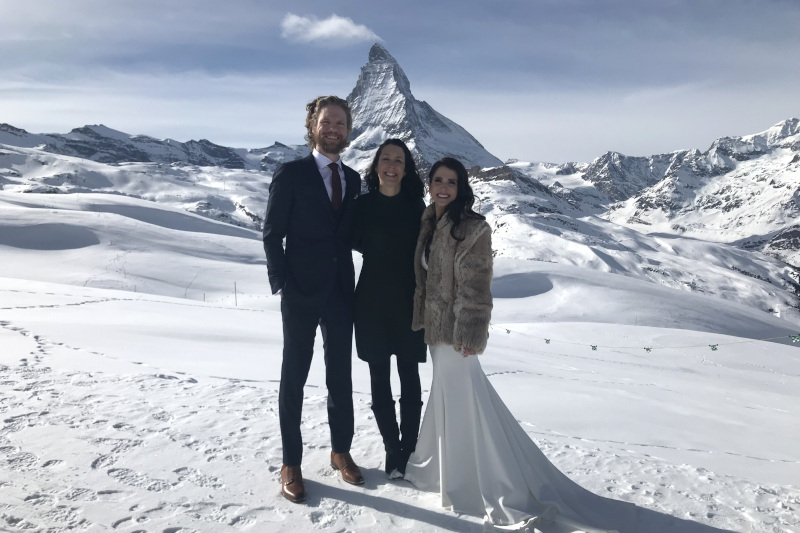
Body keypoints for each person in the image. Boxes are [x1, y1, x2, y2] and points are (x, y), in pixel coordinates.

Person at [404, 157, 637, 532]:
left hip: (457, 335)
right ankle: (445, 473)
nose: (443, 187)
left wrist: (470, 333)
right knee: (449, 396)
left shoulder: (472, 228)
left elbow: (476, 285)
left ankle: (478, 482)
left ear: (462, 187)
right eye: (437, 180)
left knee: (465, 398)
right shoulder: (429, 223)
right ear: (429, 184)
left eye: (451, 181)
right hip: (436, 332)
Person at [262, 95, 364, 504]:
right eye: (327, 122)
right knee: (295, 379)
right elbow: (272, 234)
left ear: (347, 130)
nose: (334, 129)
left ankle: (341, 451)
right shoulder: (290, 174)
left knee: (341, 376)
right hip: (301, 292)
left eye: (340, 123)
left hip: (341, 291)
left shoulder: (354, 179)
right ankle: (290, 463)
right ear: (313, 127)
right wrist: (284, 284)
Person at [350, 139, 426, 479]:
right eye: (386, 159)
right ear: (376, 165)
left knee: (410, 377)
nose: (391, 165)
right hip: (370, 302)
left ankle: (408, 448)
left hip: (410, 301)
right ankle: (391, 448)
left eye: (398, 160)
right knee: (378, 377)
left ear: (406, 168)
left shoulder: (417, 206)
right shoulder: (361, 206)